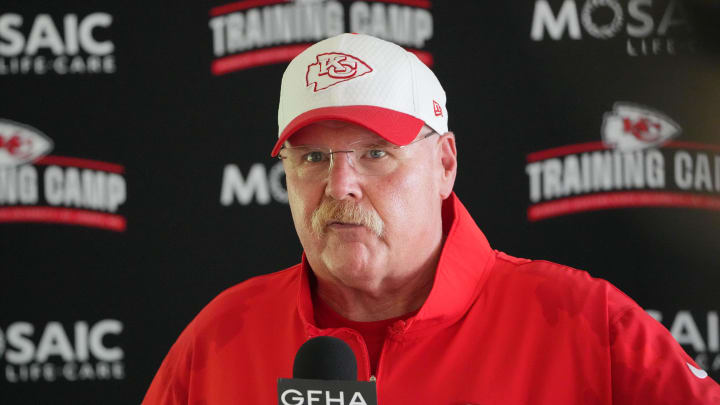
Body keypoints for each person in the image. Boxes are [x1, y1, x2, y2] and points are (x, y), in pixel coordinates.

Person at [142, 33, 720, 404]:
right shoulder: (218, 342)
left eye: (375, 153)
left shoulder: (586, 325)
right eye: (313, 158)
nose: (340, 184)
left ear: (444, 163)